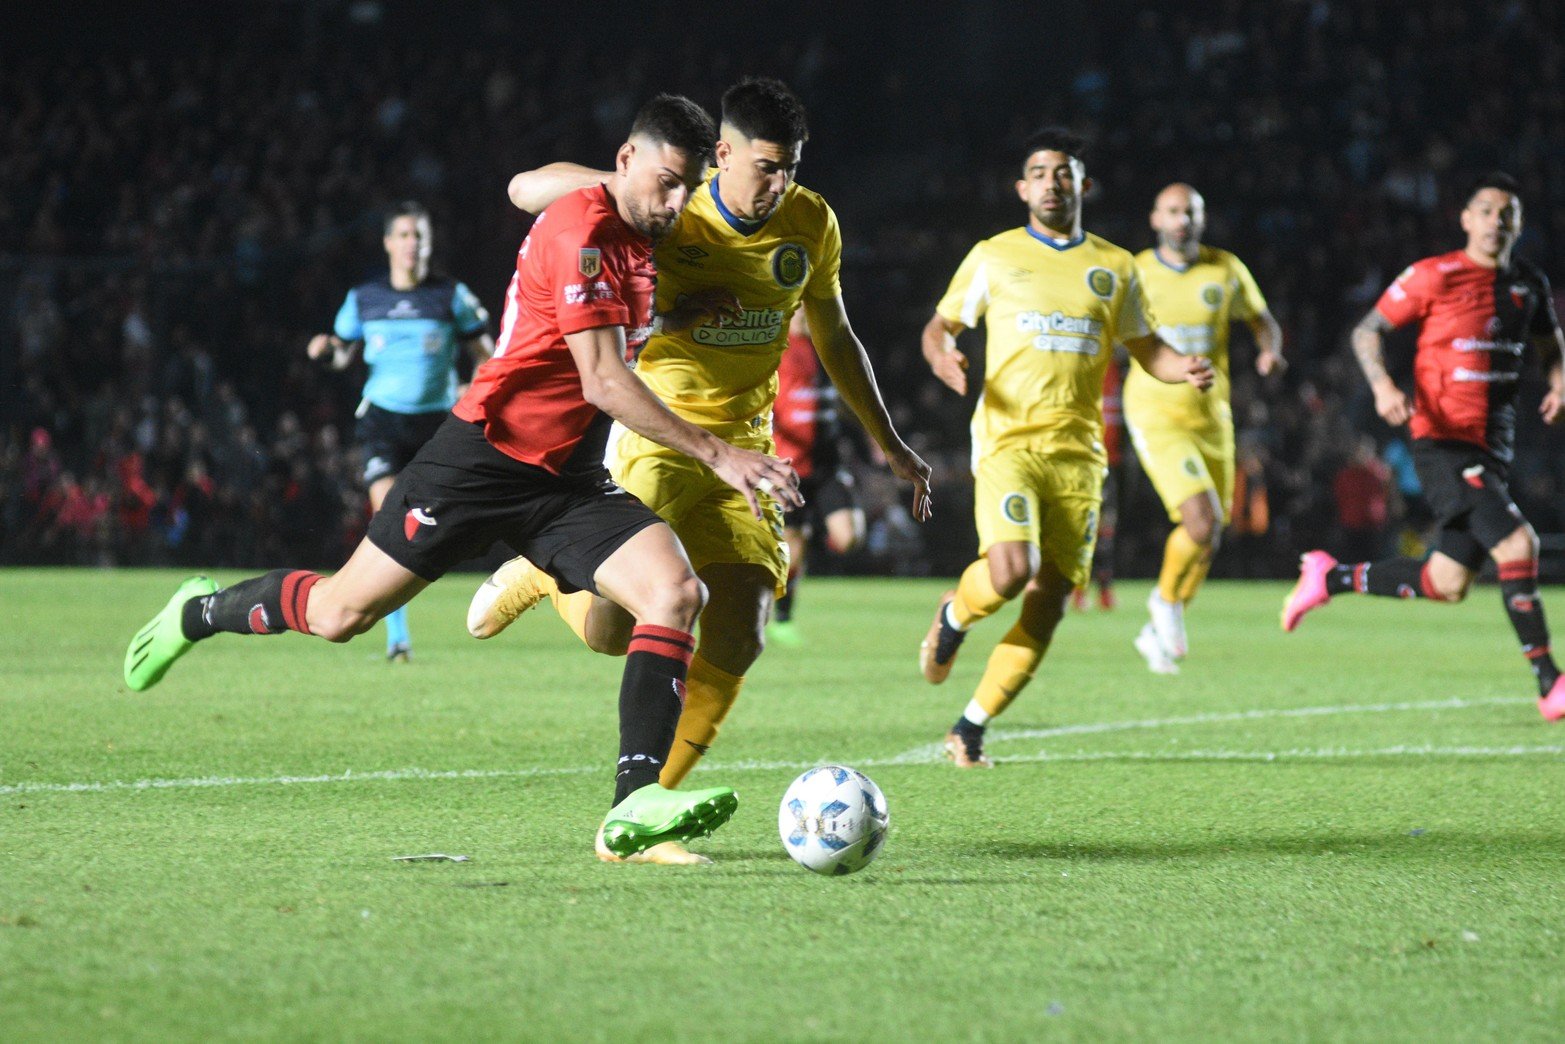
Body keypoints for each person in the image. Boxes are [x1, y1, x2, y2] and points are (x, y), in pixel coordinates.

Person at [123, 95, 804, 858]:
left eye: (686, 187)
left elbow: (612, 288)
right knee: (341, 615)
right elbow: (602, 380)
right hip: (482, 460)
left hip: (568, 478)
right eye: (663, 183)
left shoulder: (647, 230)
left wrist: (680, 307)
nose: (675, 204)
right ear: (624, 160)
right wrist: (724, 454)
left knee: (676, 593)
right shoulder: (583, 229)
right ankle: (199, 611)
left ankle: (635, 803)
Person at [467, 77, 932, 861]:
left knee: (744, 623)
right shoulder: (670, 209)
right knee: (614, 631)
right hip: (657, 433)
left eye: (788, 167)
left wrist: (888, 442)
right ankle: (545, 572)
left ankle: (644, 817)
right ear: (720, 155)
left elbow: (836, 335)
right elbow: (523, 189)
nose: (777, 184)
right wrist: (615, 181)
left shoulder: (810, 222)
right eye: (763, 167)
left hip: (745, 449)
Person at [919, 128, 1213, 768]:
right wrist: (941, 353)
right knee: (1010, 572)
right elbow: (941, 325)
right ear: (1022, 189)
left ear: (1083, 184)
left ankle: (970, 727)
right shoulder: (994, 256)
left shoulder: (1115, 266)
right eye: (1040, 172)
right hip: (1009, 441)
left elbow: (1146, 347)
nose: (1052, 182)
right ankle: (956, 614)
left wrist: (1182, 366)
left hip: (1079, 457)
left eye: (1064, 172)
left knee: (1049, 602)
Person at [1282, 172, 1565, 722]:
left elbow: (1550, 343)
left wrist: (1558, 381)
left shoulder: (1527, 284)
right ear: (1465, 219)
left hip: (1492, 449)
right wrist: (1385, 387)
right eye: (1485, 210)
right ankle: (1550, 682)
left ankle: (1329, 576)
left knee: (1447, 581)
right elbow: (1367, 331)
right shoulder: (1435, 275)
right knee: (1517, 545)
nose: (1495, 221)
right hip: (1443, 444)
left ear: (1518, 224)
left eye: (1507, 213)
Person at [307, 201, 495, 663]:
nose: (413, 244)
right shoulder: (364, 299)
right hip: (382, 423)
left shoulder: (451, 296)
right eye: (405, 235)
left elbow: (488, 356)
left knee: (442, 523)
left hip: (438, 424)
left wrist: (480, 385)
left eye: (421, 236)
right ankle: (397, 638)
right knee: (390, 515)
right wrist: (323, 350)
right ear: (389, 242)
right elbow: (342, 356)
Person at [1125, 183, 1284, 674]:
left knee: (1212, 532)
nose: (1181, 220)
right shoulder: (1135, 272)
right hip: (1156, 411)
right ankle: (1165, 605)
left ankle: (1157, 628)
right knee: (1199, 519)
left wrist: (1269, 350)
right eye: (1172, 211)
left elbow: (1263, 320)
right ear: (1155, 218)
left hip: (1213, 416)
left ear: (1202, 218)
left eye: (1190, 211)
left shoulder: (1226, 269)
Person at [768, 309, 867, 646]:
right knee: (792, 547)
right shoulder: (777, 347)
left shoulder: (829, 347)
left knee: (850, 536)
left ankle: (811, 537)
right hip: (789, 466)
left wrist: (870, 435)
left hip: (827, 464)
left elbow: (840, 399)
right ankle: (782, 618)